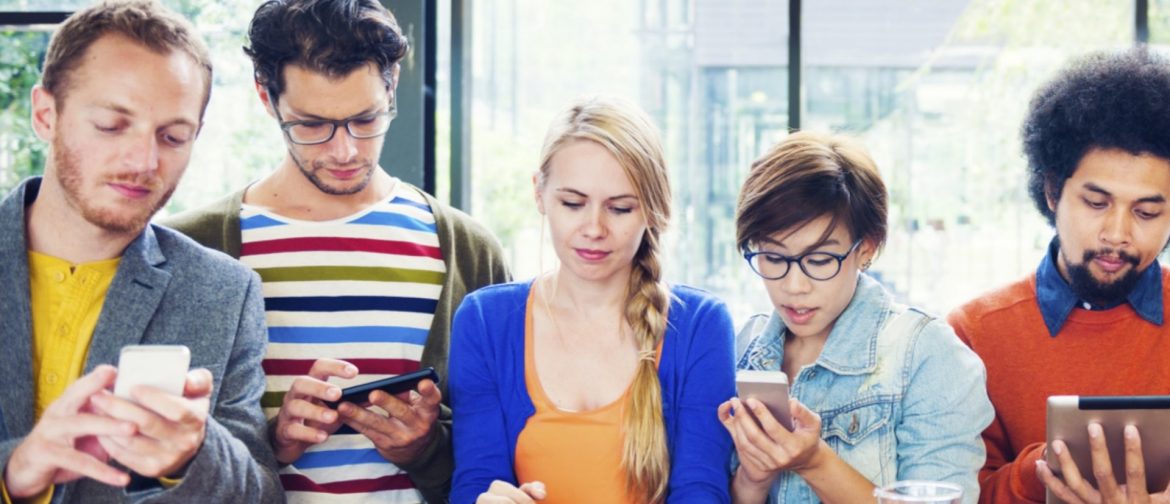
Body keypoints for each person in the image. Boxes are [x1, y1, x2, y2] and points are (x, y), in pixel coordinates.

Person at [162, 0, 509, 501]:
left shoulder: (468, 251)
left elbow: (500, 454)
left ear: (392, 87)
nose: (344, 150)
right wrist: (270, 443)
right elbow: (159, 466)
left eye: (365, 119)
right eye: (310, 124)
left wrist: (425, 448)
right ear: (266, 97)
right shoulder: (191, 249)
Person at [0, 1, 282, 502]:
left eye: (174, 137)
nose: (144, 161)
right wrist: (13, 471)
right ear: (46, 114)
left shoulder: (224, 293)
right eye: (111, 125)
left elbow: (260, 494)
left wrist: (191, 457)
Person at [448, 96, 735, 503]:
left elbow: (701, 490)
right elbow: (475, 480)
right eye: (573, 203)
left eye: (620, 208)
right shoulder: (484, 322)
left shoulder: (701, 325)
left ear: (651, 211)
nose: (594, 228)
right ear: (539, 194)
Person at [720, 132, 993, 503]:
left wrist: (815, 462)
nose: (794, 285)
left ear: (866, 248)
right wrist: (752, 480)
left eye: (819, 261)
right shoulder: (738, 348)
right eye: (773, 257)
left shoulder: (928, 356)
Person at [948, 48, 1170, 504]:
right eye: (1096, 203)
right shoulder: (974, 334)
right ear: (1052, 191)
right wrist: (1037, 474)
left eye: (1146, 212)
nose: (1117, 234)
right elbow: (956, 494)